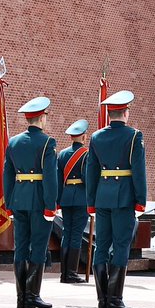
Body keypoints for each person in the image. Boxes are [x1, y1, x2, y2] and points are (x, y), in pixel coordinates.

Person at [87, 92, 146, 308]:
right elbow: (139, 172)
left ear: (110, 114)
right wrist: (140, 200)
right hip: (124, 198)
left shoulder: (96, 137)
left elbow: (91, 172)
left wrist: (90, 202)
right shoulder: (134, 136)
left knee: (101, 246)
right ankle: (115, 299)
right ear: (126, 113)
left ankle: (103, 300)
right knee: (121, 246)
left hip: (102, 196)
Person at [4, 97, 58, 308]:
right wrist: (50, 205)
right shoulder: (47, 142)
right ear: (41, 117)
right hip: (38, 200)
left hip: (18, 199)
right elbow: (50, 178)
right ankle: (33, 295)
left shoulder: (14, 142)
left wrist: (9, 203)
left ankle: (21, 296)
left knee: (21, 247)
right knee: (38, 246)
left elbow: (8, 176)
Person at [56, 119, 90, 283]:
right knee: (76, 235)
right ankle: (71, 273)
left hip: (66, 197)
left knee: (66, 233)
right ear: (83, 137)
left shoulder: (62, 154)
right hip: (81, 197)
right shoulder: (86, 154)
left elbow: (58, 179)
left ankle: (64, 273)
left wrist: (58, 200)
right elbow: (86, 177)